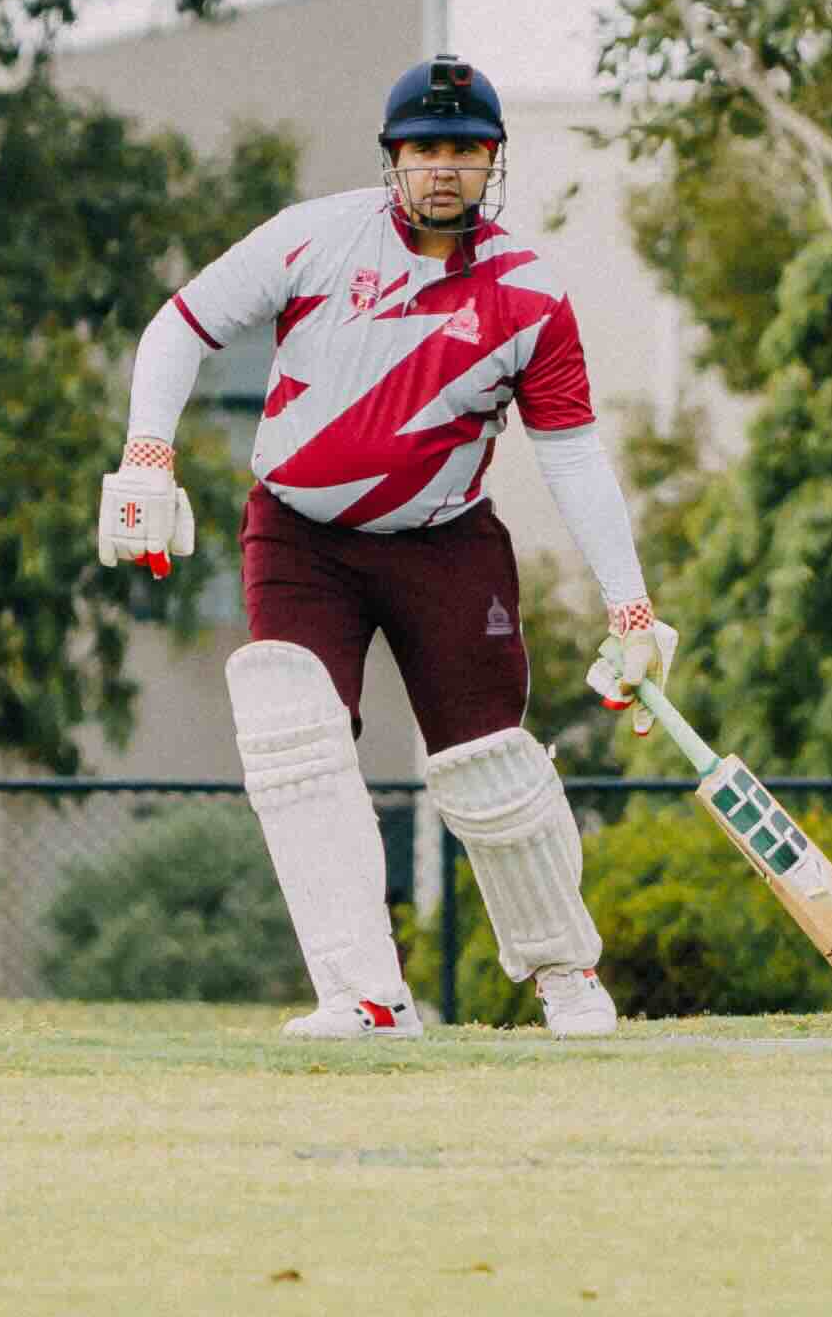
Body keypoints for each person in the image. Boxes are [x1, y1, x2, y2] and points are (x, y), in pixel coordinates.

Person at [93, 52, 677, 1039]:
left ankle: (564, 978)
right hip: (299, 535)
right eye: (422, 149)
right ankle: (364, 996)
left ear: (494, 160)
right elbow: (178, 326)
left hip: (443, 543)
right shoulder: (313, 238)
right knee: (297, 744)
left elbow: (573, 461)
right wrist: (148, 455)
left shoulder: (530, 295)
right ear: (391, 158)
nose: (441, 168)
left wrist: (632, 606)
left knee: (490, 763)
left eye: (463, 149)